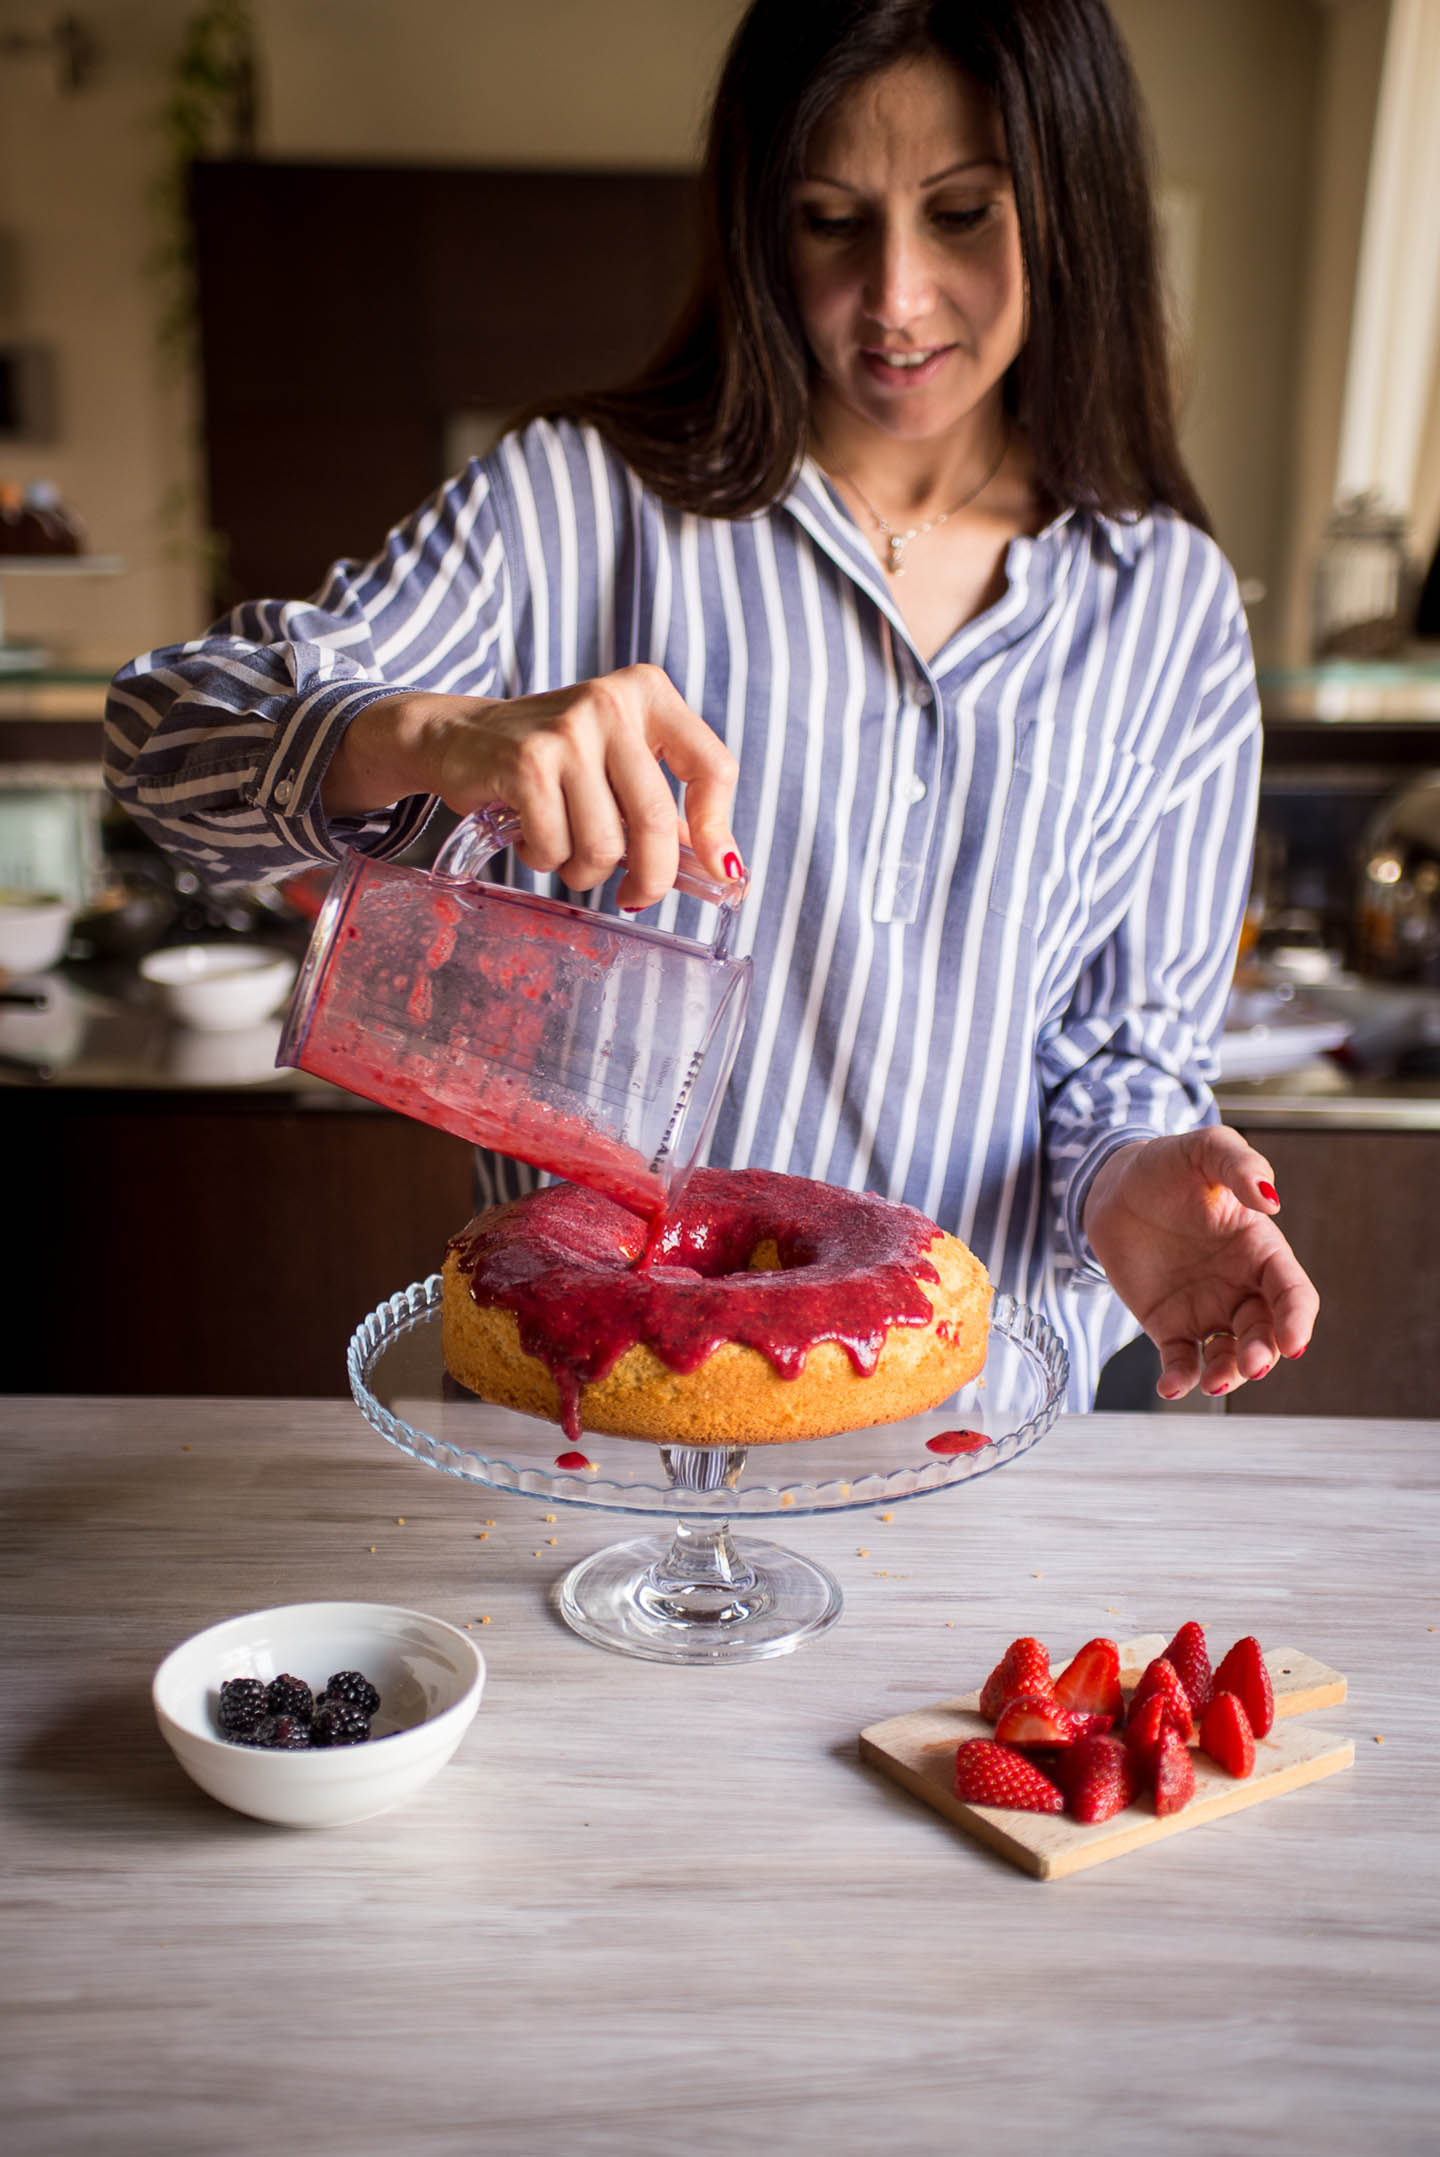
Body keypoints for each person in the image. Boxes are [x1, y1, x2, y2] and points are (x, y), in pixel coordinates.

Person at [105, 0, 1318, 1409]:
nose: (897, 297)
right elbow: (156, 741)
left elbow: (1124, 1053)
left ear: (1075, 209)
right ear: (758, 227)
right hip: (597, 1444)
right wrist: (428, 733)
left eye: (966, 215)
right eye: (828, 221)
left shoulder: (1163, 606)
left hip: (966, 1447)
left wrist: (1133, 1179)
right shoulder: (574, 508)